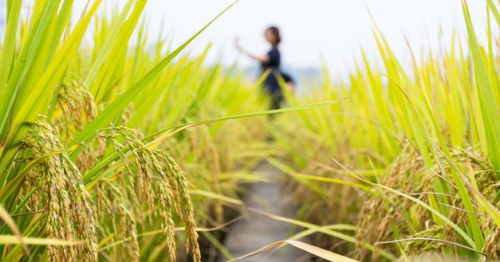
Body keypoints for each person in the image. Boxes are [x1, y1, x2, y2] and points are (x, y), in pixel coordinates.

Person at [235, 26, 294, 109]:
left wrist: (243, 50)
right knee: (266, 105)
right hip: (267, 84)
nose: (266, 36)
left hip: (272, 85)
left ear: (275, 36)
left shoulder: (275, 52)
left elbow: (259, 58)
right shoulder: (272, 51)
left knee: (272, 105)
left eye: (269, 34)